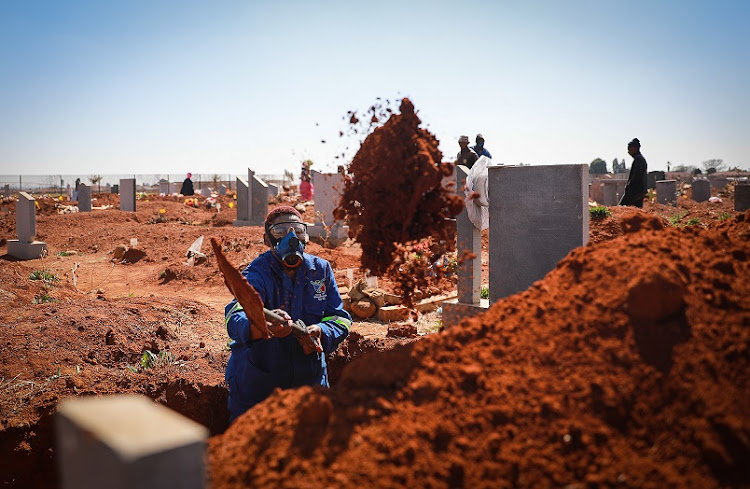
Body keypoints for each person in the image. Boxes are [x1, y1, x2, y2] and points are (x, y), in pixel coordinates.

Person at [223, 206, 351, 422]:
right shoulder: (257, 273)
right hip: (260, 384)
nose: (291, 238)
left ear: (306, 235)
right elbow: (236, 315)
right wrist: (263, 327)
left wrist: (322, 330)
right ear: (267, 239)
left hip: (310, 380)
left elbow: (340, 317)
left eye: (298, 231)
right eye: (280, 232)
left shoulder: (321, 270)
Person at [619, 138, 648, 207]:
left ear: (634, 148)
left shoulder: (638, 159)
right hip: (639, 191)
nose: (628, 152)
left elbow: (636, 176)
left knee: (621, 208)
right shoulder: (640, 159)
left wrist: (629, 187)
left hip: (635, 191)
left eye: (629, 149)